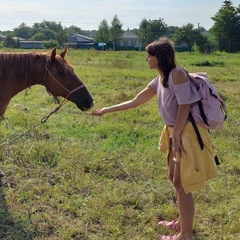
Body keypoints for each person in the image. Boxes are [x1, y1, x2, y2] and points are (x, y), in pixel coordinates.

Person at [91, 37, 218, 240]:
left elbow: (185, 105)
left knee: (182, 183)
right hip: (174, 131)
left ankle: (185, 235)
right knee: (174, 179)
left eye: (149, 56)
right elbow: (135, 100)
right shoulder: (159, 80)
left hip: (185, 132)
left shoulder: (177, 74)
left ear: (160, 58)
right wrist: (105, 110)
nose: (146, 59)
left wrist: (176, 133)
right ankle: (182, 223)